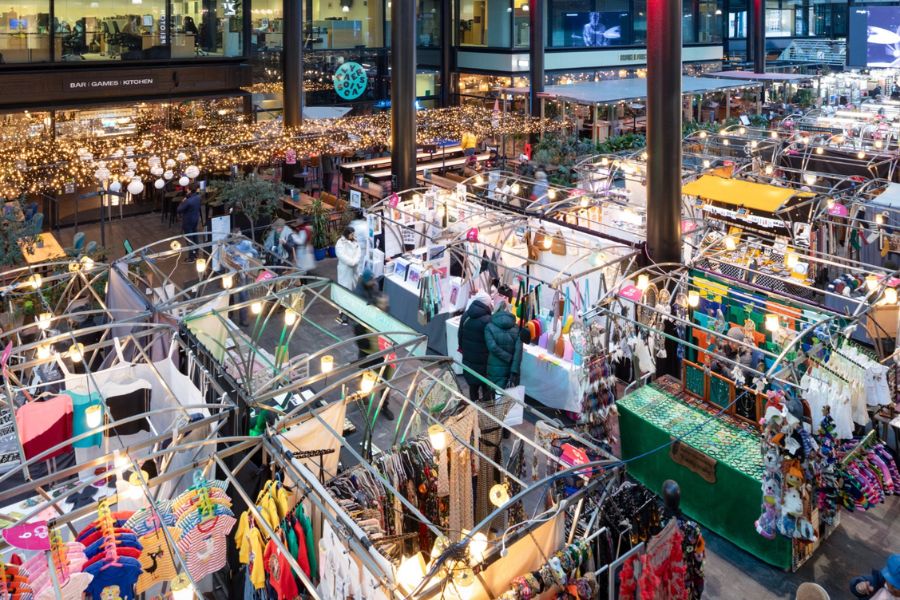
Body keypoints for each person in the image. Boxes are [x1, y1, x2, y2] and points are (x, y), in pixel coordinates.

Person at [353, 276, 395, 420]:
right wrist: (365, 346)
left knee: (385, 381)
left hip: (384, 354)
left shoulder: (387, 318)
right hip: (368, 353)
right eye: (381, 305)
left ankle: (385, 406)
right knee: (364, 377)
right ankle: (362, 397)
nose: (384, 306)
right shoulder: (366, 315)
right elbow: (357, 330)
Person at [458, 291, 493, 403]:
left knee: (473, 387)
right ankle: (486, 412)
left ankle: (473, 410)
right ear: (486, 304)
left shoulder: (466, 315)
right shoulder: (488, 320)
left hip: (469, 358)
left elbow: (460, 335)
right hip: (484, 361)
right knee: (486, 387)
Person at [484, 300, 523, 388]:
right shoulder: (517, 328)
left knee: (494, 395)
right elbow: (518, 351)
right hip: (510, 369)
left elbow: (492, 346)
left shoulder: (489, 327)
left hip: (494, 368)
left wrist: (507, 357)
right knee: (508, 397)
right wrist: (514, 369)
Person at [177, 184, 202, 261]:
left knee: (189, 238)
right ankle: (196, 252)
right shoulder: (198, 197)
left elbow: (179, 210)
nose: (186, 190)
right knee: (195, 236)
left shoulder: (188, 201)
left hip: (188, 221)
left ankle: (191, 257)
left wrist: (183, 201)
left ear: (190, 190)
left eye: (187, 190)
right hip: (195, 219)